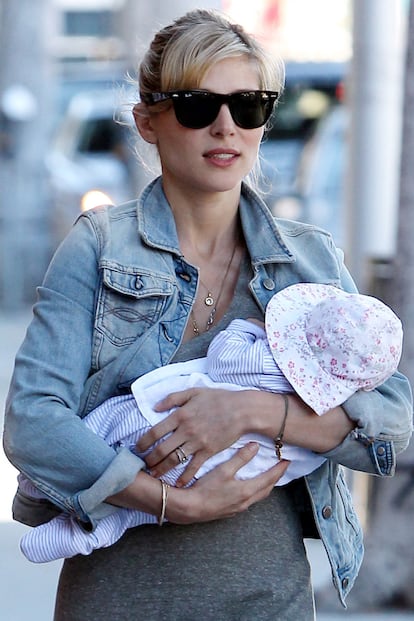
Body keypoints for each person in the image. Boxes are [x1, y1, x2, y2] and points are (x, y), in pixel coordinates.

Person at [2, 8, 412, 620]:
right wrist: (168, 501)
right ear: (148, 122)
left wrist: (251, 411)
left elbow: (390, 420)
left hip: (270, 601)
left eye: (248, 106)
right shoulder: (98, 246)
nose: (226, 127)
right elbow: (33, 421)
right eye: (198, 106)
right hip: (120, 600)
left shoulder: (309, 260)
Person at [18, 283, 403, 564]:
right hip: (227, 474)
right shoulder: (330, 399)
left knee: (103, 428)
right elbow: (339, 440)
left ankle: (42, 490)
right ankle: (89, 532)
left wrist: (247, 335)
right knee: (135, 513)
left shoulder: (265, 358)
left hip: (159, 425)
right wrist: (181, 504)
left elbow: (223, 359)